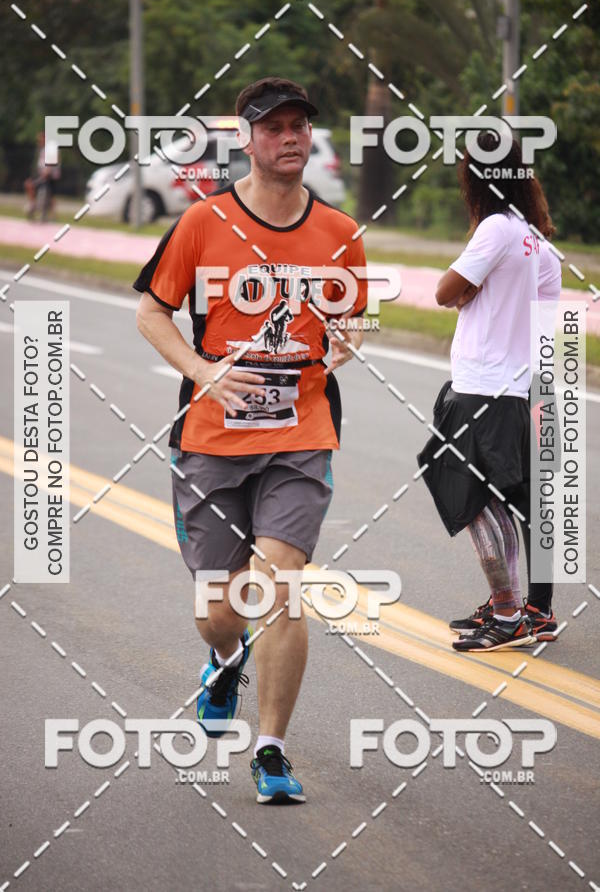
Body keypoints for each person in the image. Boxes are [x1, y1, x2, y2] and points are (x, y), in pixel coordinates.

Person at [134, 77, 367, 801]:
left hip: (302, 430)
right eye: (275, 128)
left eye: (300, 126)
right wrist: (202, 370)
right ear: (246, 138)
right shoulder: (202, 223)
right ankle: (225, 660)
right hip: (211, 438)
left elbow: (356, 316)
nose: (291, 137)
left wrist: (349, 339)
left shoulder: (340, 232)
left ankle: (271, 751)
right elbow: (151, 312)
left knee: (282, 588)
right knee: (216, 610)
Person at [417, 130, 561, 652]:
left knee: (471, 500)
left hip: (479, 387)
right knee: (519, 502)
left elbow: (441, 293)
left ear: (474, 177)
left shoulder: (496, 229)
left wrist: (468, 288)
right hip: (515, 388)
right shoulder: (533, 238)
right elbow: (544, 316)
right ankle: (531, 610)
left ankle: (508, 613)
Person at [24, 131, 60, 221]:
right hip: (42, 174)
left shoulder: (50, 148)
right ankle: (34, 204)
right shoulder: (43, 149)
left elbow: (52, 162)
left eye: (40, 139)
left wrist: (47, 172)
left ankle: (38, 208)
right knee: (29, 184)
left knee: (50, 195)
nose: (39, 141)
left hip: (49, 175)